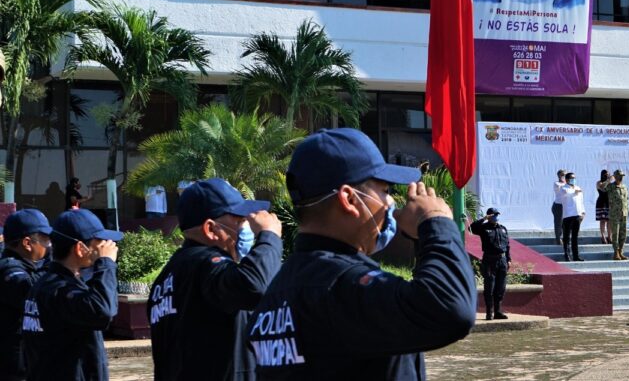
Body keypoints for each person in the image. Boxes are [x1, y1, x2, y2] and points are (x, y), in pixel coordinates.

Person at [248, 128, 476, 379]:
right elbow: (450, 309)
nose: (391, 204)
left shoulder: (278, 291)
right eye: (385, 191)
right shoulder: (343, 286)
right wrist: (436, 221)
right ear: (350, 199)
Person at [148, 178, 282, 381]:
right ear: (210, 229)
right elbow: (253, 286)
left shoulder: (167, 277)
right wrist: (269, 236)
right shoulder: (205, 263)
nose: (245, 229)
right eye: (239, 221)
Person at [22, 209, 122, 381]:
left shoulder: (47, 283)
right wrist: (105, 264)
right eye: (100, 242)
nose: (108, 246)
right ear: (79, 248)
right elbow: (103, 311)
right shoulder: (57, 289)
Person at [0, 210, 52, 381]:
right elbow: (30, 290)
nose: (49, 244)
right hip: (13, 372)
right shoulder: (9, 270)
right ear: (27, 243)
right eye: (45, 239)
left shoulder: (30, 268)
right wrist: (58, 261)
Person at [470, 208, 511, 320]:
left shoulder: (502, 229)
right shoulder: (483, 228)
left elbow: (507, 245)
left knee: (501, 287)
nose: (495, 217)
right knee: (489, 287)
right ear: (489, 216)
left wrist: (508, 259)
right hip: (489, 260)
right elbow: (472, 228)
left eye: (497, 214)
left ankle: (498, 312)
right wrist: (484, 219)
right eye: (493, 215)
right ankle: (489, 312)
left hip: (502, 260)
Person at [560, 173, 585, 262]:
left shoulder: (577, 188)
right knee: (566, 236)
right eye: (571, 178)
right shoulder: (564, 188)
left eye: (574, 178)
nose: (573, 180)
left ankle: (576, 255)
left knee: (575, 236)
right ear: (567, 179)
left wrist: (583, 212)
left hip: (577, 215)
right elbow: (566, 195)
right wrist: (574, 192)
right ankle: (567, 255)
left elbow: (581, 201)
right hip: (568, 216)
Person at [607, 169, 629, 261]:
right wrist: (609, 180)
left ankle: (621, 251)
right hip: (614, 214)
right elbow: (601, 188)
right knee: (615, 234)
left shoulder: (624, 187)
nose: (621, 178)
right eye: (619, 176)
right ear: (615, 176)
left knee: (623, 234)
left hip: (624, 213)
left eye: (622, 176)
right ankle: (616, 252)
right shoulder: (610, 186)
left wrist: (627, 211)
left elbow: (626, 200)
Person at [596, 170, 612, 244]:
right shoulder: (599, 182)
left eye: (608, 174)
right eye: (605, 174)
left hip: (609, 202)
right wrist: (608, 180)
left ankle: (610, 236)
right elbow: (602, 188)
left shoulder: (610, 184)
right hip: (601, 203)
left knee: (609, 220)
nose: (607, 176)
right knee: (603, 220)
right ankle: (603, 236)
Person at [551, 169, 567, 245]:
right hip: (558, 206)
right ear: (559, 176)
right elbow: (562, 189)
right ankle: (558, 239)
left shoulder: (568, 184)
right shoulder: (557, 183)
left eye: (565, 175)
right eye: (562, 175)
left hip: (566, 206)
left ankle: (564, 238)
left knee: (565, 223)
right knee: (558, 223)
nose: (564, 176)